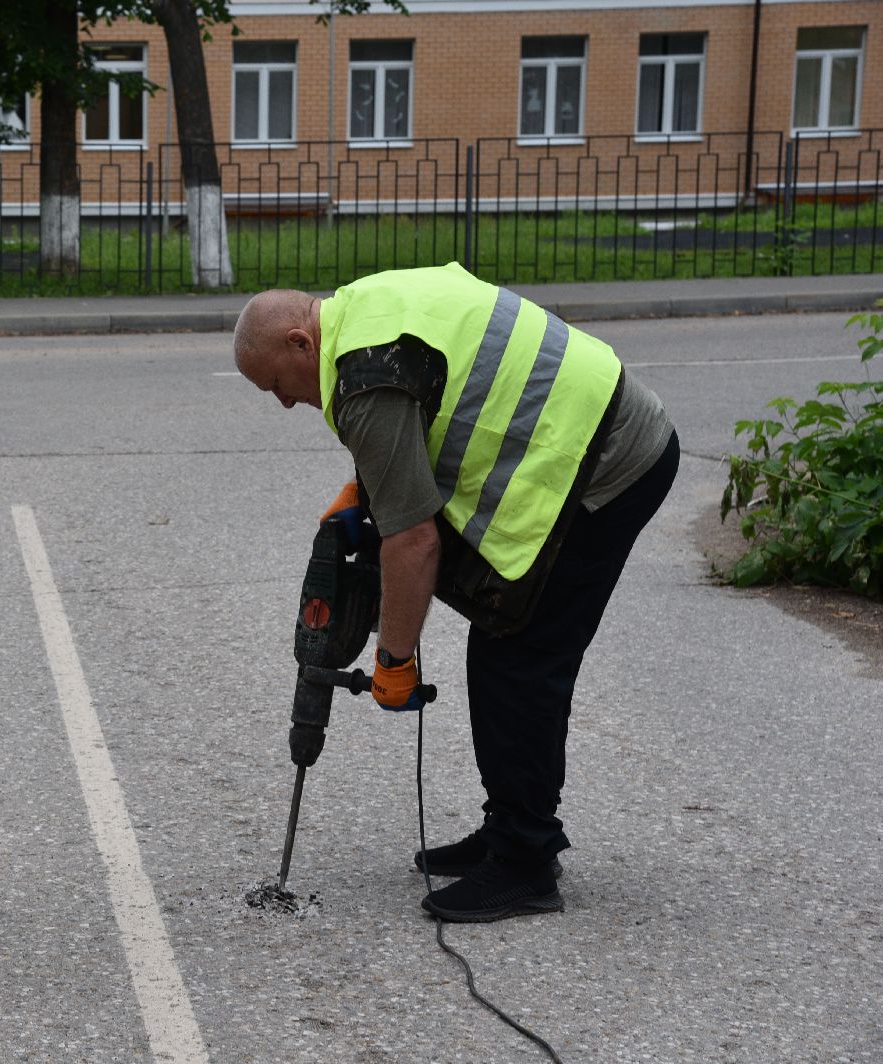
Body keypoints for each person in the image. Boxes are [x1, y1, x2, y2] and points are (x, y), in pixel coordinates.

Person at [233, 262, 678, 923]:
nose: (284, 401)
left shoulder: (362, 376)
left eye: (276, 384)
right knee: (506, 640)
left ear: (301, 343)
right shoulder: (359, 310)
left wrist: (394, 661)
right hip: (599, 428)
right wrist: (366, 490)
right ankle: (509, 832)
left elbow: (414, 542)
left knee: (522, 653)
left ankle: (525, 863)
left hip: (609, 462)